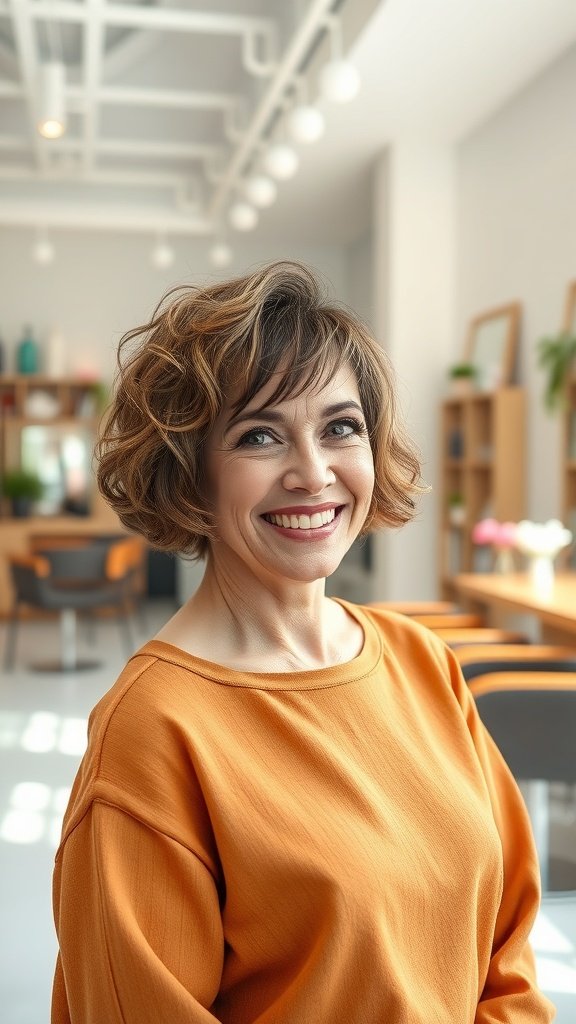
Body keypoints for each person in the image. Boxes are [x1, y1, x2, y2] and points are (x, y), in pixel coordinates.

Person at [51, 260, 554, 1024]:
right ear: (190, 471)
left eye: (340, 427)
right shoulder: (152, 736)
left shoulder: (422, 661)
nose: (313, 474)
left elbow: (507, 951)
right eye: (260, 435)